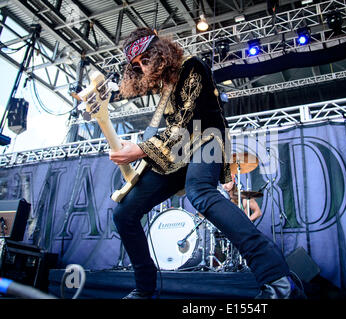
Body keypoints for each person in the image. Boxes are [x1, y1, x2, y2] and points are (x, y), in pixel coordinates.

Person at [109, 27, 303, 299]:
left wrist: (140, 150)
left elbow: (190, 123)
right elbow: (170, 133)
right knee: (123, 214)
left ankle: (278, 280)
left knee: (200, 193)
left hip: (206, 139)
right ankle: (144, 290)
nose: (142, 66)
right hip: (175, 153)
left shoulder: (192, 66)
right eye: (136, 64)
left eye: (145, 58)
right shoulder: (164, 89)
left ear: (158, 50)